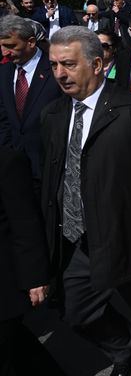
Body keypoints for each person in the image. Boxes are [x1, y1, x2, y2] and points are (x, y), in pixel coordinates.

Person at [41, 26, 131, 376]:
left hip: (126, 233)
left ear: (97, 64)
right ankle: (124, 348)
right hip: (75, 239)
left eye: (68, 64)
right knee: (76, 310)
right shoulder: (53, 115)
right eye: (53, 65)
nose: (60, 74)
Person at [0, 145, 65, 375]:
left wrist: (36, 276)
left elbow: (26, 221)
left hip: (4, 286)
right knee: (18, 347)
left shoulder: (7, 160)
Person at [0, 16, 63, 194]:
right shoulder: (3, 73)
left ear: (31, 42)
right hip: (14, 170)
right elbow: (3, 118)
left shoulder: (56, 70)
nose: (5, 52)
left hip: (50, 169)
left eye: (11, 46)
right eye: (2, 46)